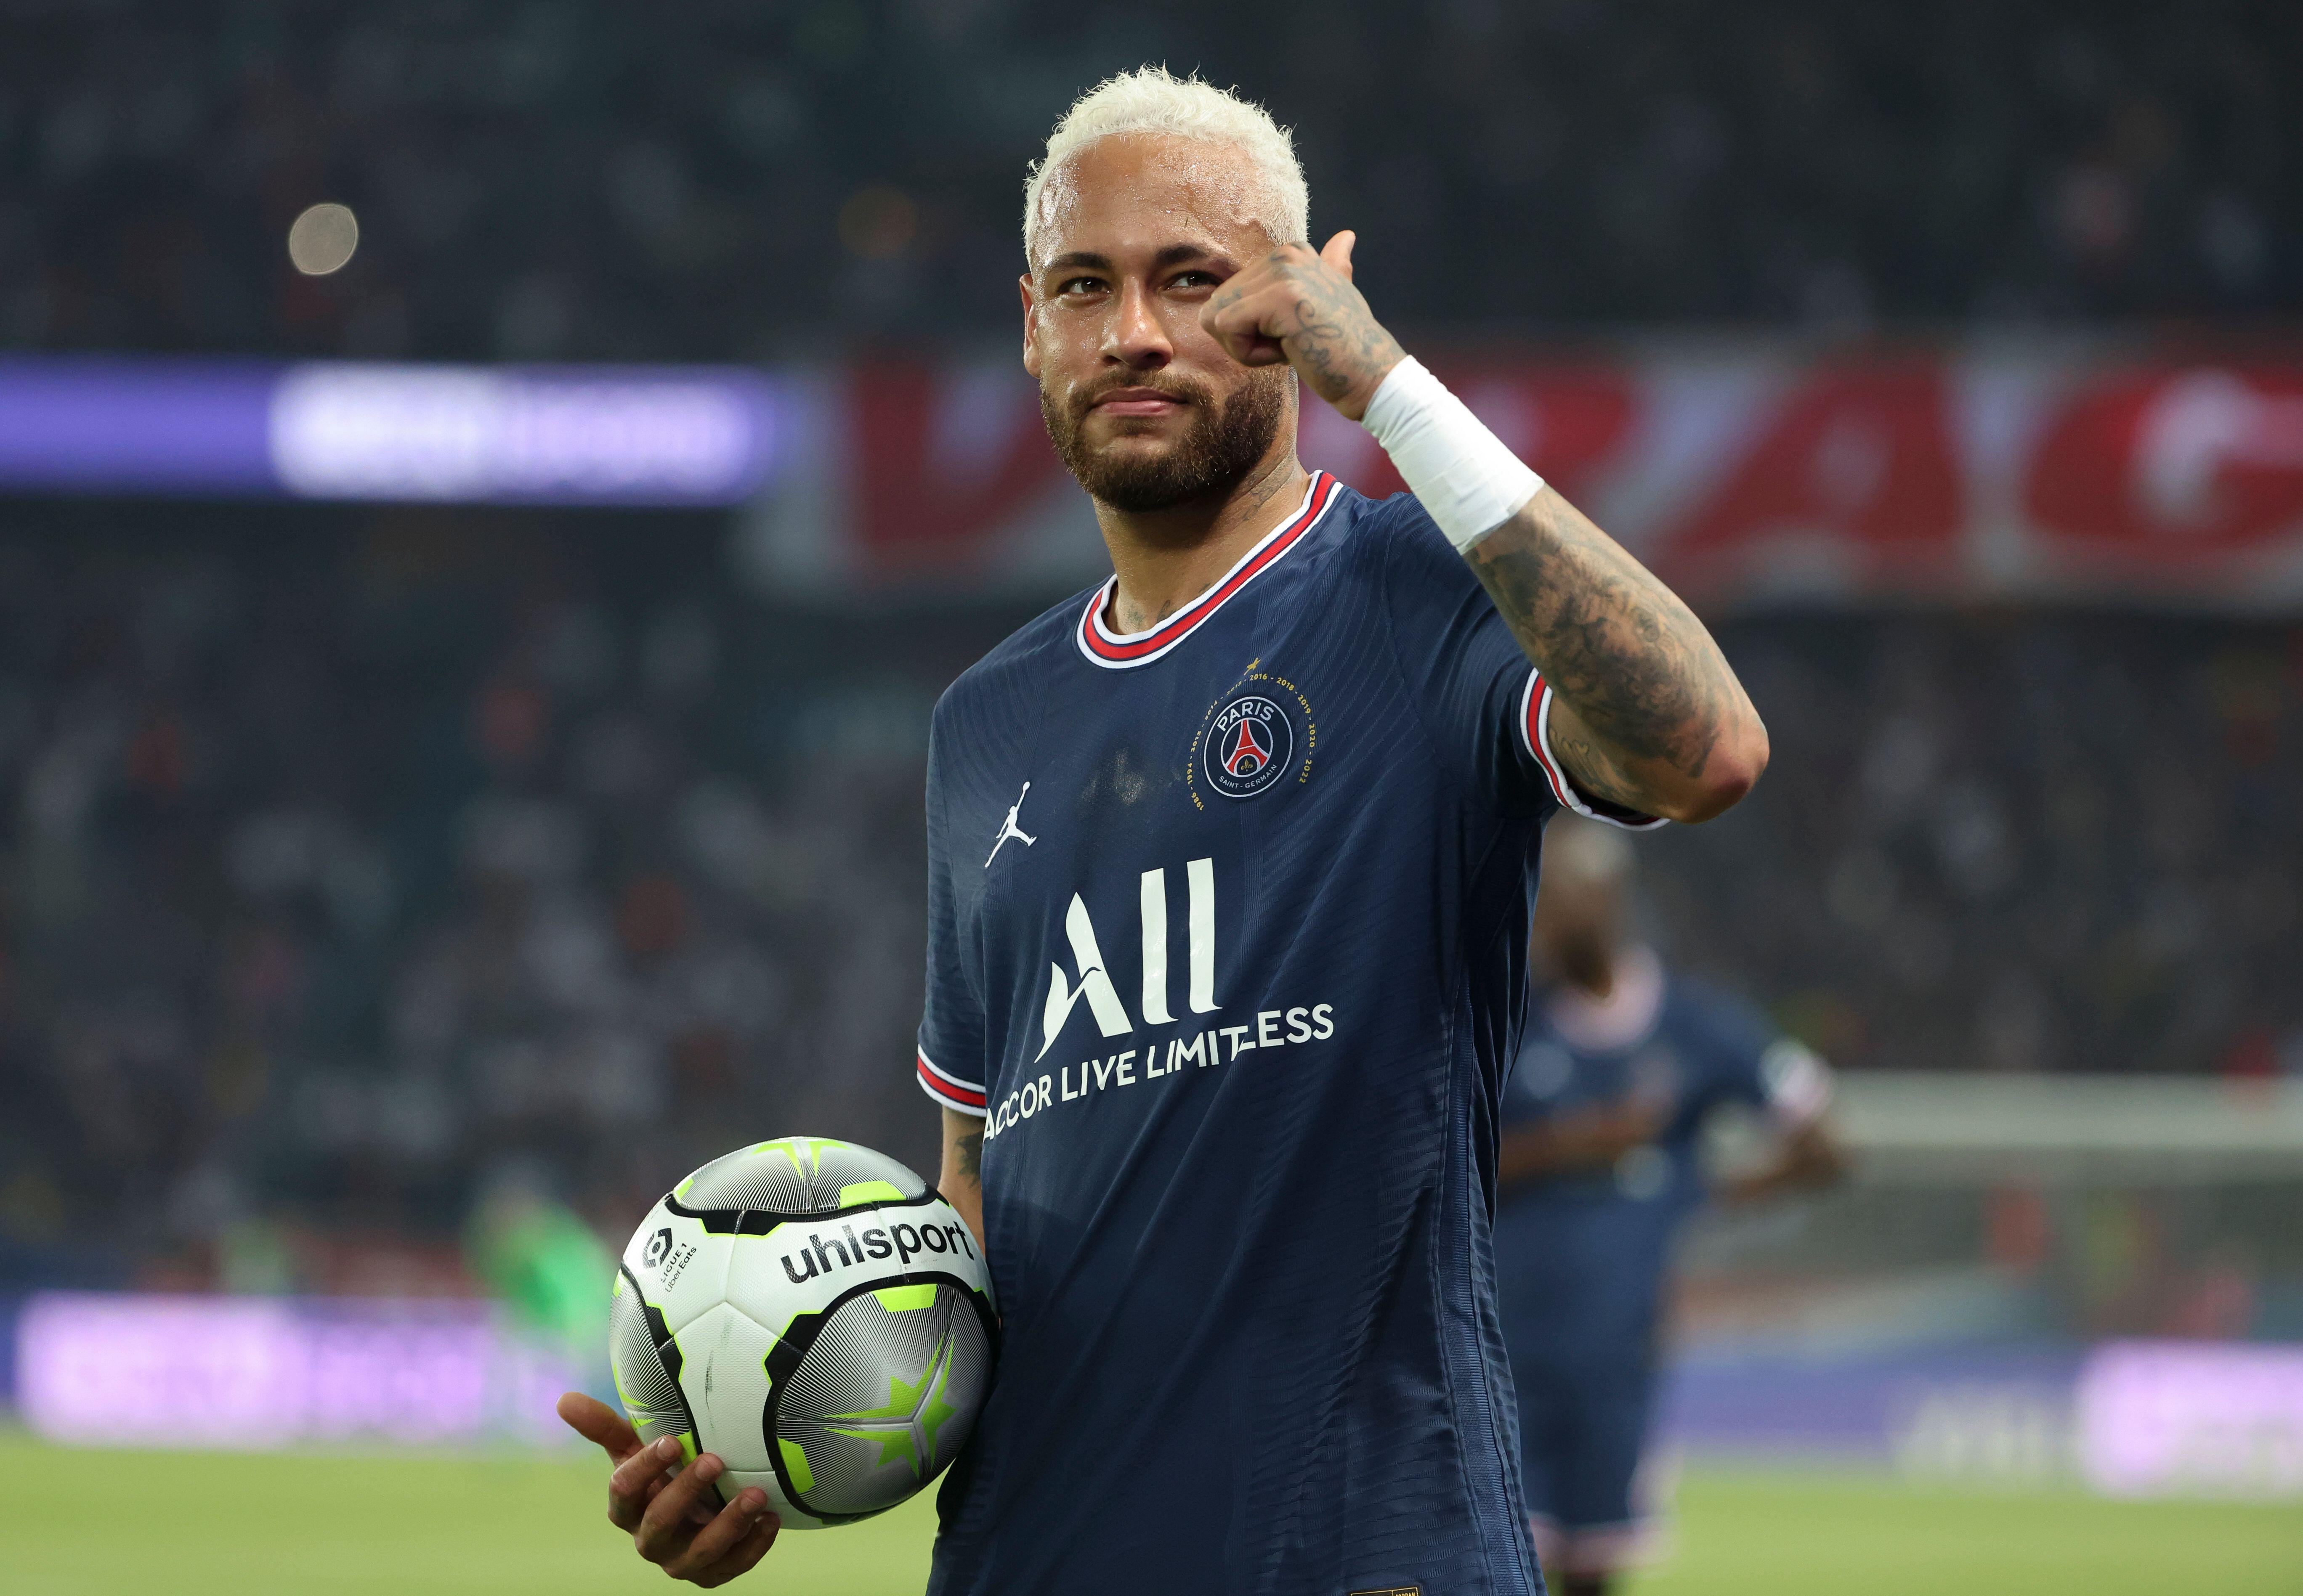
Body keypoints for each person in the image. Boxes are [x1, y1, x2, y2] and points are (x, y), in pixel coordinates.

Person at [560, 66, 1769, 1593]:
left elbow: (1704, 746)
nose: (1131, 329)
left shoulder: (1412, 600)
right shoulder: (982, 721)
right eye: (1085, 285)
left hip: (1363, 1552)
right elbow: (976, 1192)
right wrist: (779, 1445)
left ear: (1294, 301)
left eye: (1191, 279)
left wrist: (1387, 384)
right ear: (1029, 326)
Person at [1495, 817, 1844, 1596]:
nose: (1540, 913)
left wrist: (1703, 1194)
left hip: (1617, 1358)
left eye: (1557, 896)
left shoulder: (1694, 1025)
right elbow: (1454, 1166)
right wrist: (1577, 1143)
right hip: (1500, 1357)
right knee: (1489, 1565)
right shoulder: (1510, 1018)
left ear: (1607, 899)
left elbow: (1824, 1143)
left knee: (1593, 1567)